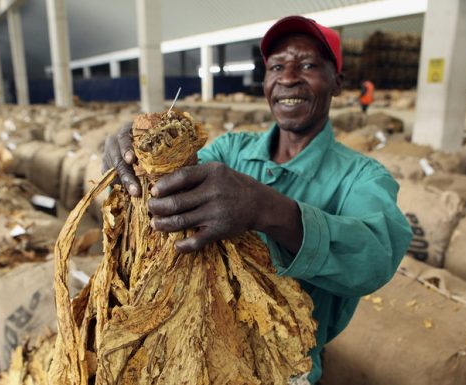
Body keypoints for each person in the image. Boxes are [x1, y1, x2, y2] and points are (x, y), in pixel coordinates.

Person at [103, 15, 412, 384]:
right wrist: (141, 154)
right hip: (193, 351)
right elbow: (168, 191)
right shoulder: (232, 150)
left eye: (308, 65)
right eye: (276, 66)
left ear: (337, 83)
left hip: (286, 367)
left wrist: (266, 209)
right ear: (265, 82)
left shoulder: (362, 177)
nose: (288, 77)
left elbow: (374, 257)